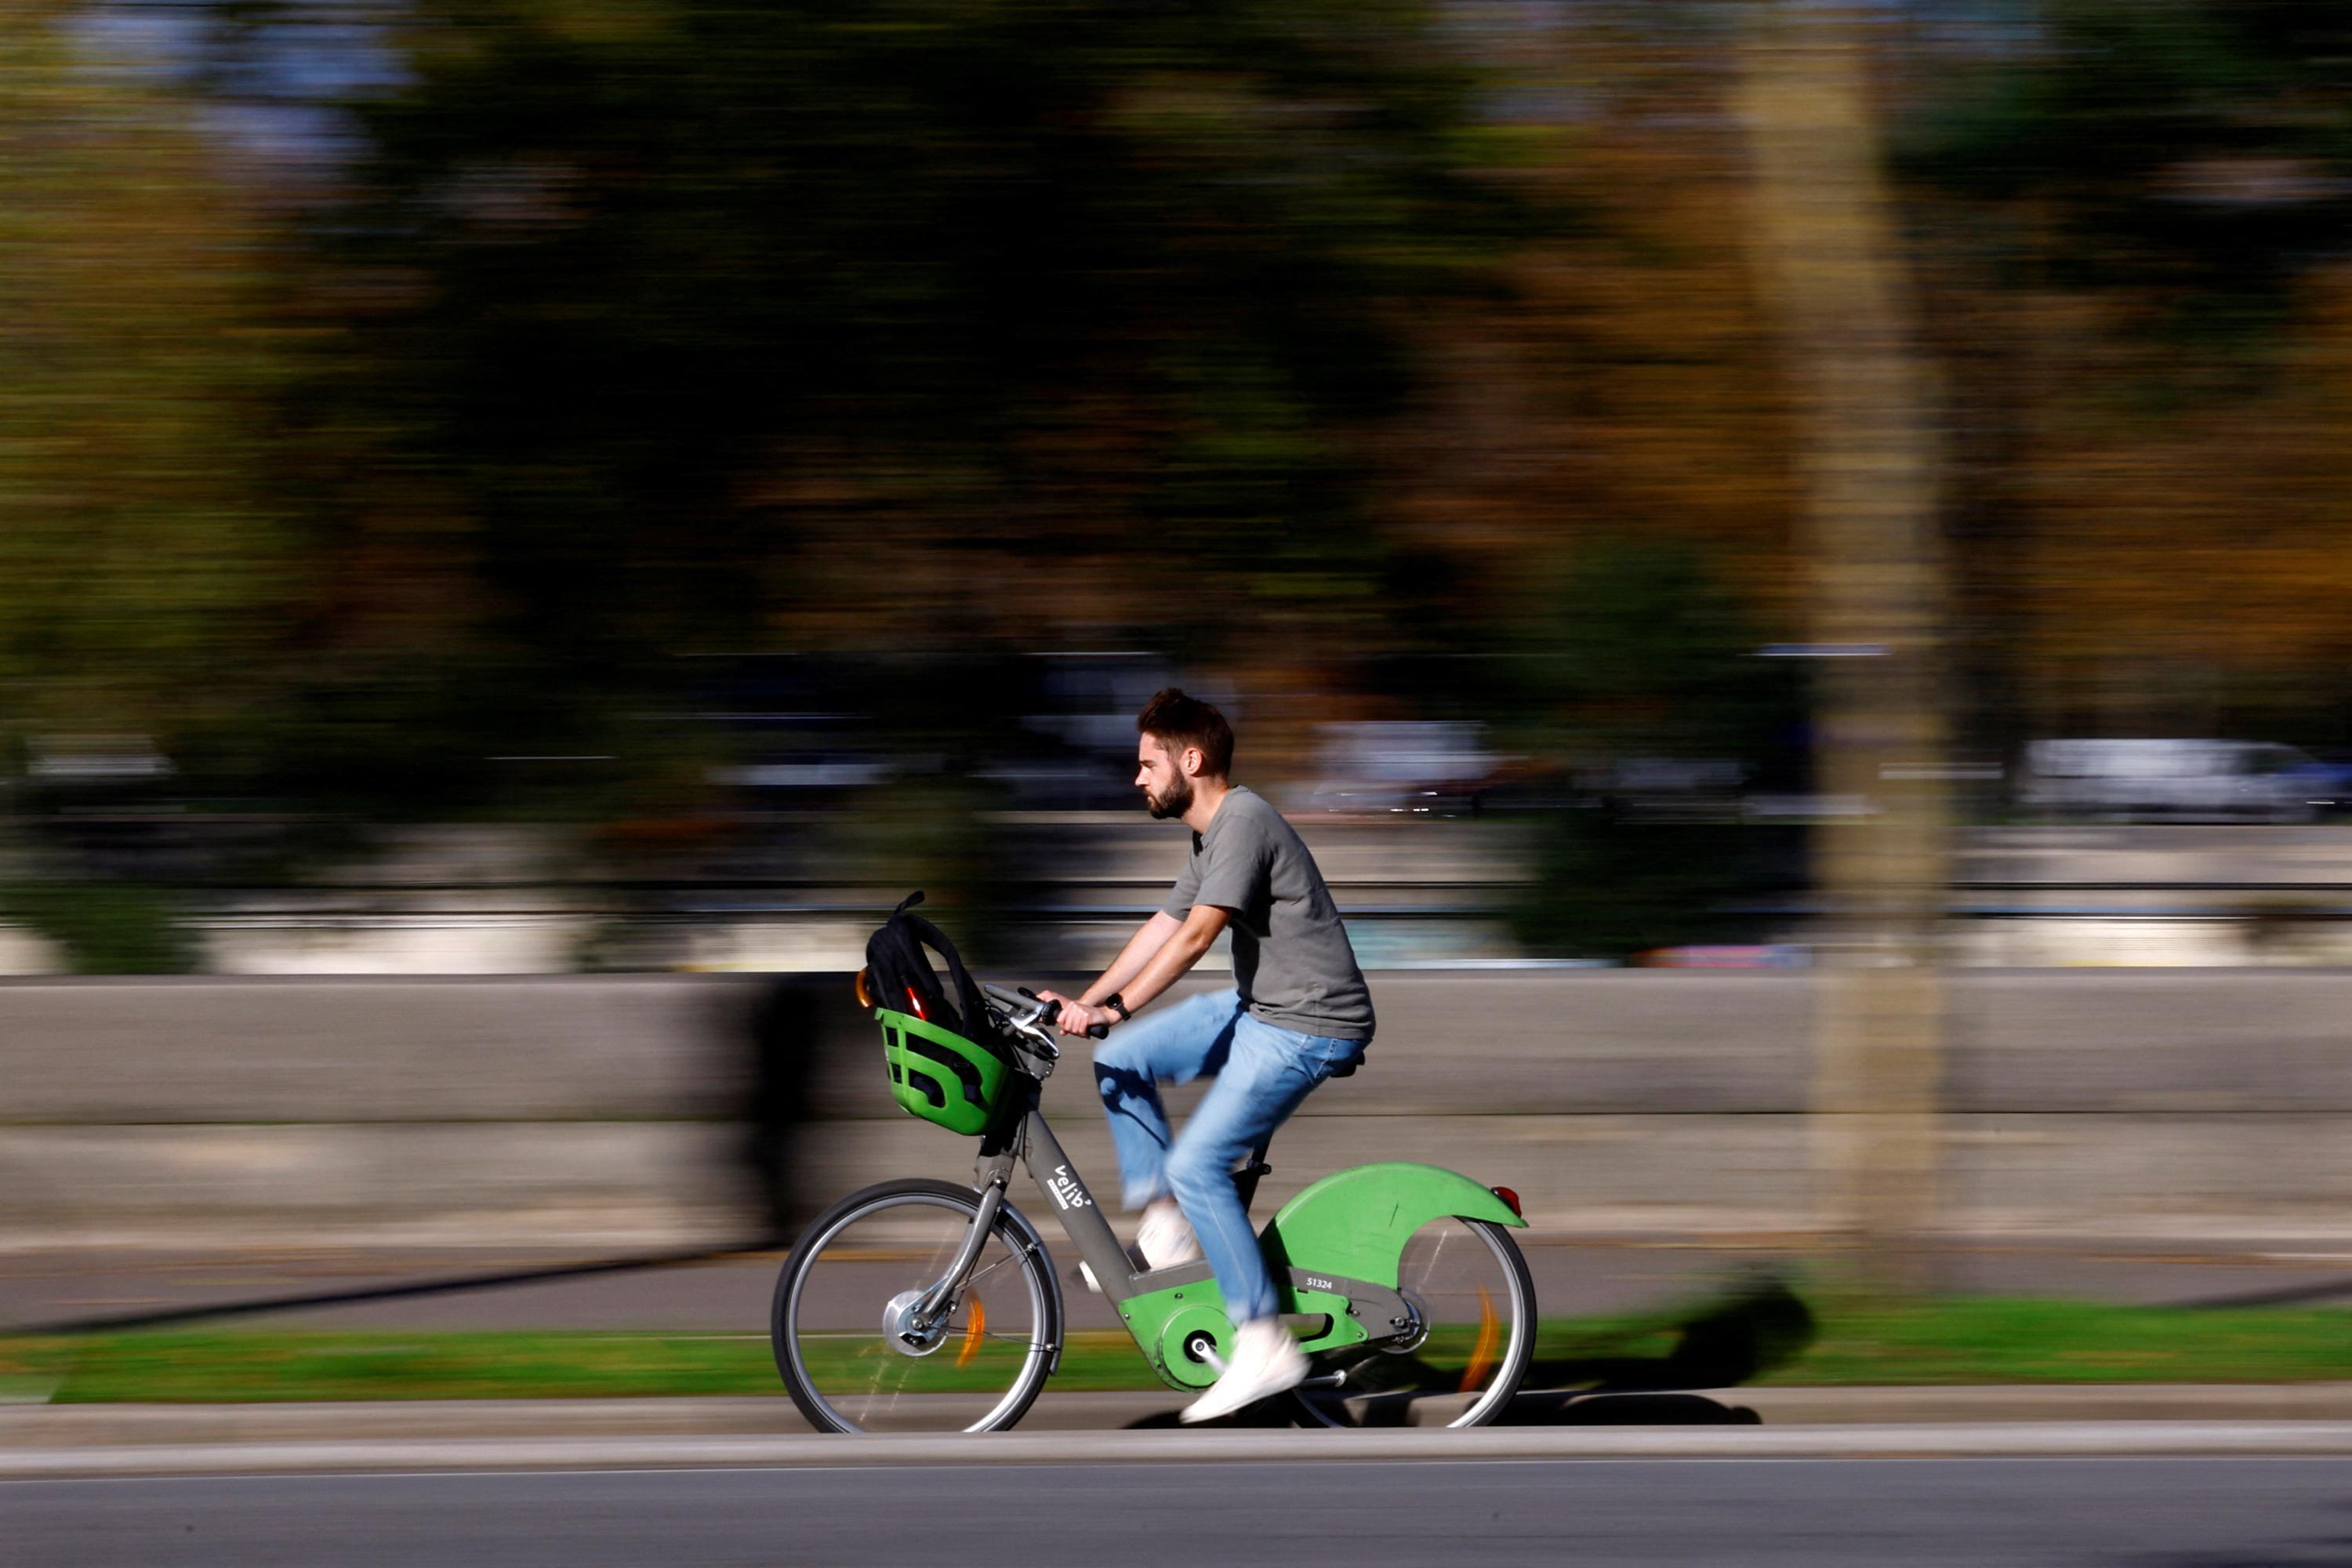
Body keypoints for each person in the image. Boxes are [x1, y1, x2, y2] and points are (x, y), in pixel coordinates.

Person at [1039, 688, 1375, 1423]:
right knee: (1121, 1058)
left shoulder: (1245, 821)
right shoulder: (1211, 833)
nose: (1137, 778)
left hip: (1309, 1023)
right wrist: (1078, 1004)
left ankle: (1262, 1341)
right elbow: (1162, 924)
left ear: (1191, 760)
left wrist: (1115, 1007)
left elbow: (1196, 939)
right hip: (1263, 1008)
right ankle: (1167, 1228)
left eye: (1147, 763)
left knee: (1196, 1165)